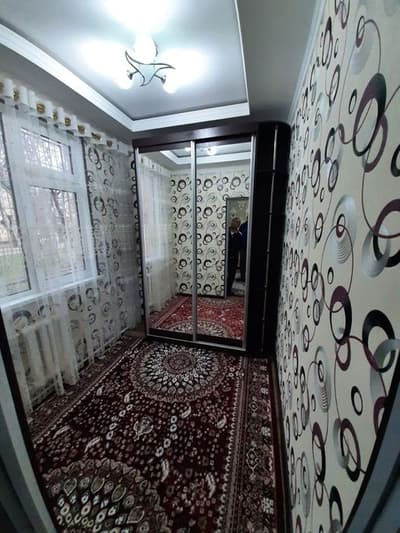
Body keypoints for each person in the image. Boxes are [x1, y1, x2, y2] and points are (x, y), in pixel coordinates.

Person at [227, 217, 244, 296]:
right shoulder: (225, 231)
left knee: (231, 275)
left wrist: (237, 235)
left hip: (234, 257)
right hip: (224, 256)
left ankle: (228, 290)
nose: (237, 224)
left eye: (238, 223)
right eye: (236, 222)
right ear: (232, 222)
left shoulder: (239, 234)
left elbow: (241, 246)